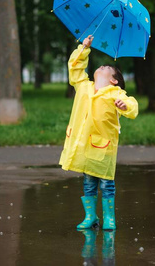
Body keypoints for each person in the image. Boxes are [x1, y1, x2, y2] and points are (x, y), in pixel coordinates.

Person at [59, 35, 139, 230]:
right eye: (100, 66)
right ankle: (91, 216)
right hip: (85, 145)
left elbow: (132, 106)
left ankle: (109, 218)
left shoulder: (116, 94)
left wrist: (124, 105)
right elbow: (75, 69)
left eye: (106, 68)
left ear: (114, 80)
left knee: (106, 183)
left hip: (103, 147)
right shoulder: (84, 86)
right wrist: (84, 48)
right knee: (88, 182)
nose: (101, 67)